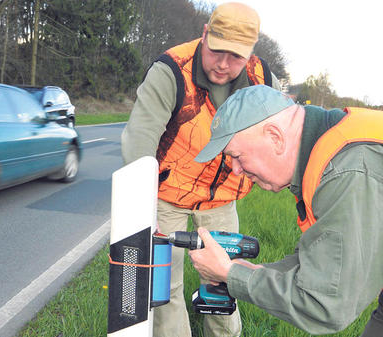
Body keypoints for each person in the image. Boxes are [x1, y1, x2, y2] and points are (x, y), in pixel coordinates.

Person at [190, 84, 383, 336]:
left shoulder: (349, 173)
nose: (236, 169)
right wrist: (249, 272)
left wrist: (231, 274)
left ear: (275, 137)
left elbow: (325, 304)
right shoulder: (326, 148)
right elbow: (322, 259)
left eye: (237, 156)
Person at [121, 2, 282, 336]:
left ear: (250, 54)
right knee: (164, 290)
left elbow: (285, 134)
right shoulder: (171, 69)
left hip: (221, 198)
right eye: (216, 51)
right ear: (205, 34)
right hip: (167, 195)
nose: (223, 65)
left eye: (235, 57)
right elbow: (140, 138)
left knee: (224, 280)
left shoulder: (263, 79)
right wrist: (139, 211)